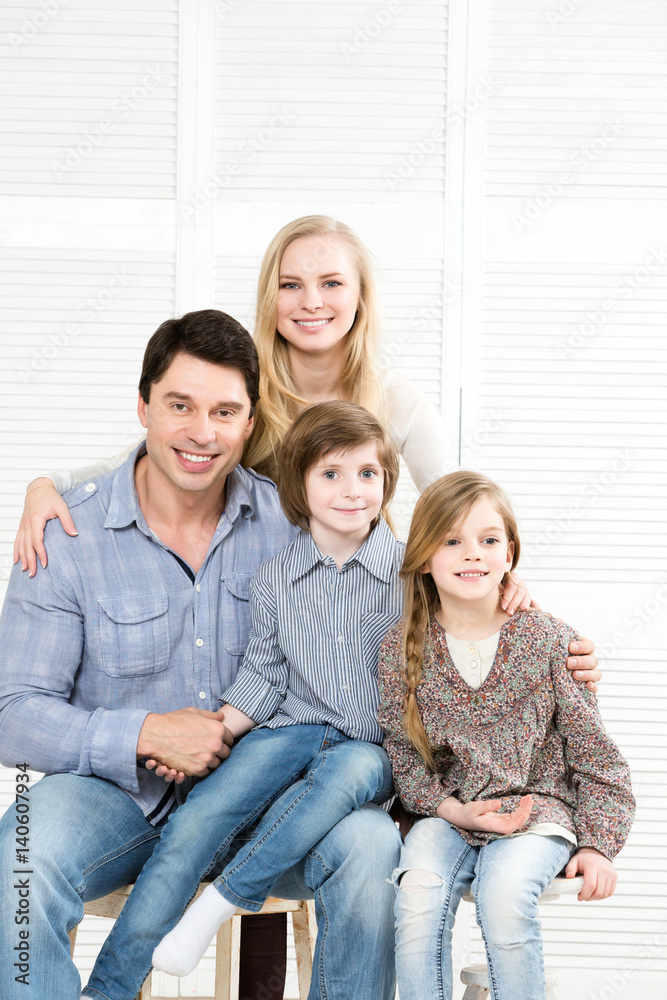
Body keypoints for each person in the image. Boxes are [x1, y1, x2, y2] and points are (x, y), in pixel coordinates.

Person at [0, 311, 401, 1000]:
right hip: (115, 799)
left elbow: (431, 579)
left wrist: (512, 612)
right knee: (18, 860)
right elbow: (13, 713)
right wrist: (145, 734)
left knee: (371, 847)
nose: (202, 432)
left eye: (224, 411)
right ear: (143, 407)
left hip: (275, 799)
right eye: (180, 405)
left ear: (250, 423)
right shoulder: (66, 532)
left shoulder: (298, 520)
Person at [12, 215, 599, 677]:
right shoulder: (242, 392)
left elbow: (461, 510)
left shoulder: (399, 403)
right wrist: (47, 486)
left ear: (361, 297)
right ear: (270, 298)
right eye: (290, 285)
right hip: (260, 618)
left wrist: (507, 586)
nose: (311, 301)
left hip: (361, 617)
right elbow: (160, 449)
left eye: (331, 284)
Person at [81, 401, 403, 999]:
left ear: (387, 482)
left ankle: (222, 901)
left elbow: (473, 620)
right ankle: (107, 989)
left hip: (369, 747)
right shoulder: (277, 576)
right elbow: (262, 677)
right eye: (331, 473)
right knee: (197, 818)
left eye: (367, 473)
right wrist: (207, 737)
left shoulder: (415, 574)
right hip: (289, 731)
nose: (352, 490)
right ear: (299, 487)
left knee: (351, 769)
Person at [376, 471, 636, 1000]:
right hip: (448, 817)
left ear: (509, 552)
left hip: (537, 816)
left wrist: (598, 846)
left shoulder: (550, 640)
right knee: (417, 899)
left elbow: (597, 757)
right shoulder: (400, 649)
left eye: (489, 539)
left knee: (503, 898)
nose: (473, 553)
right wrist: (454, 811)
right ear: (424, 558)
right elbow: (404, 757)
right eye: (452, 541)